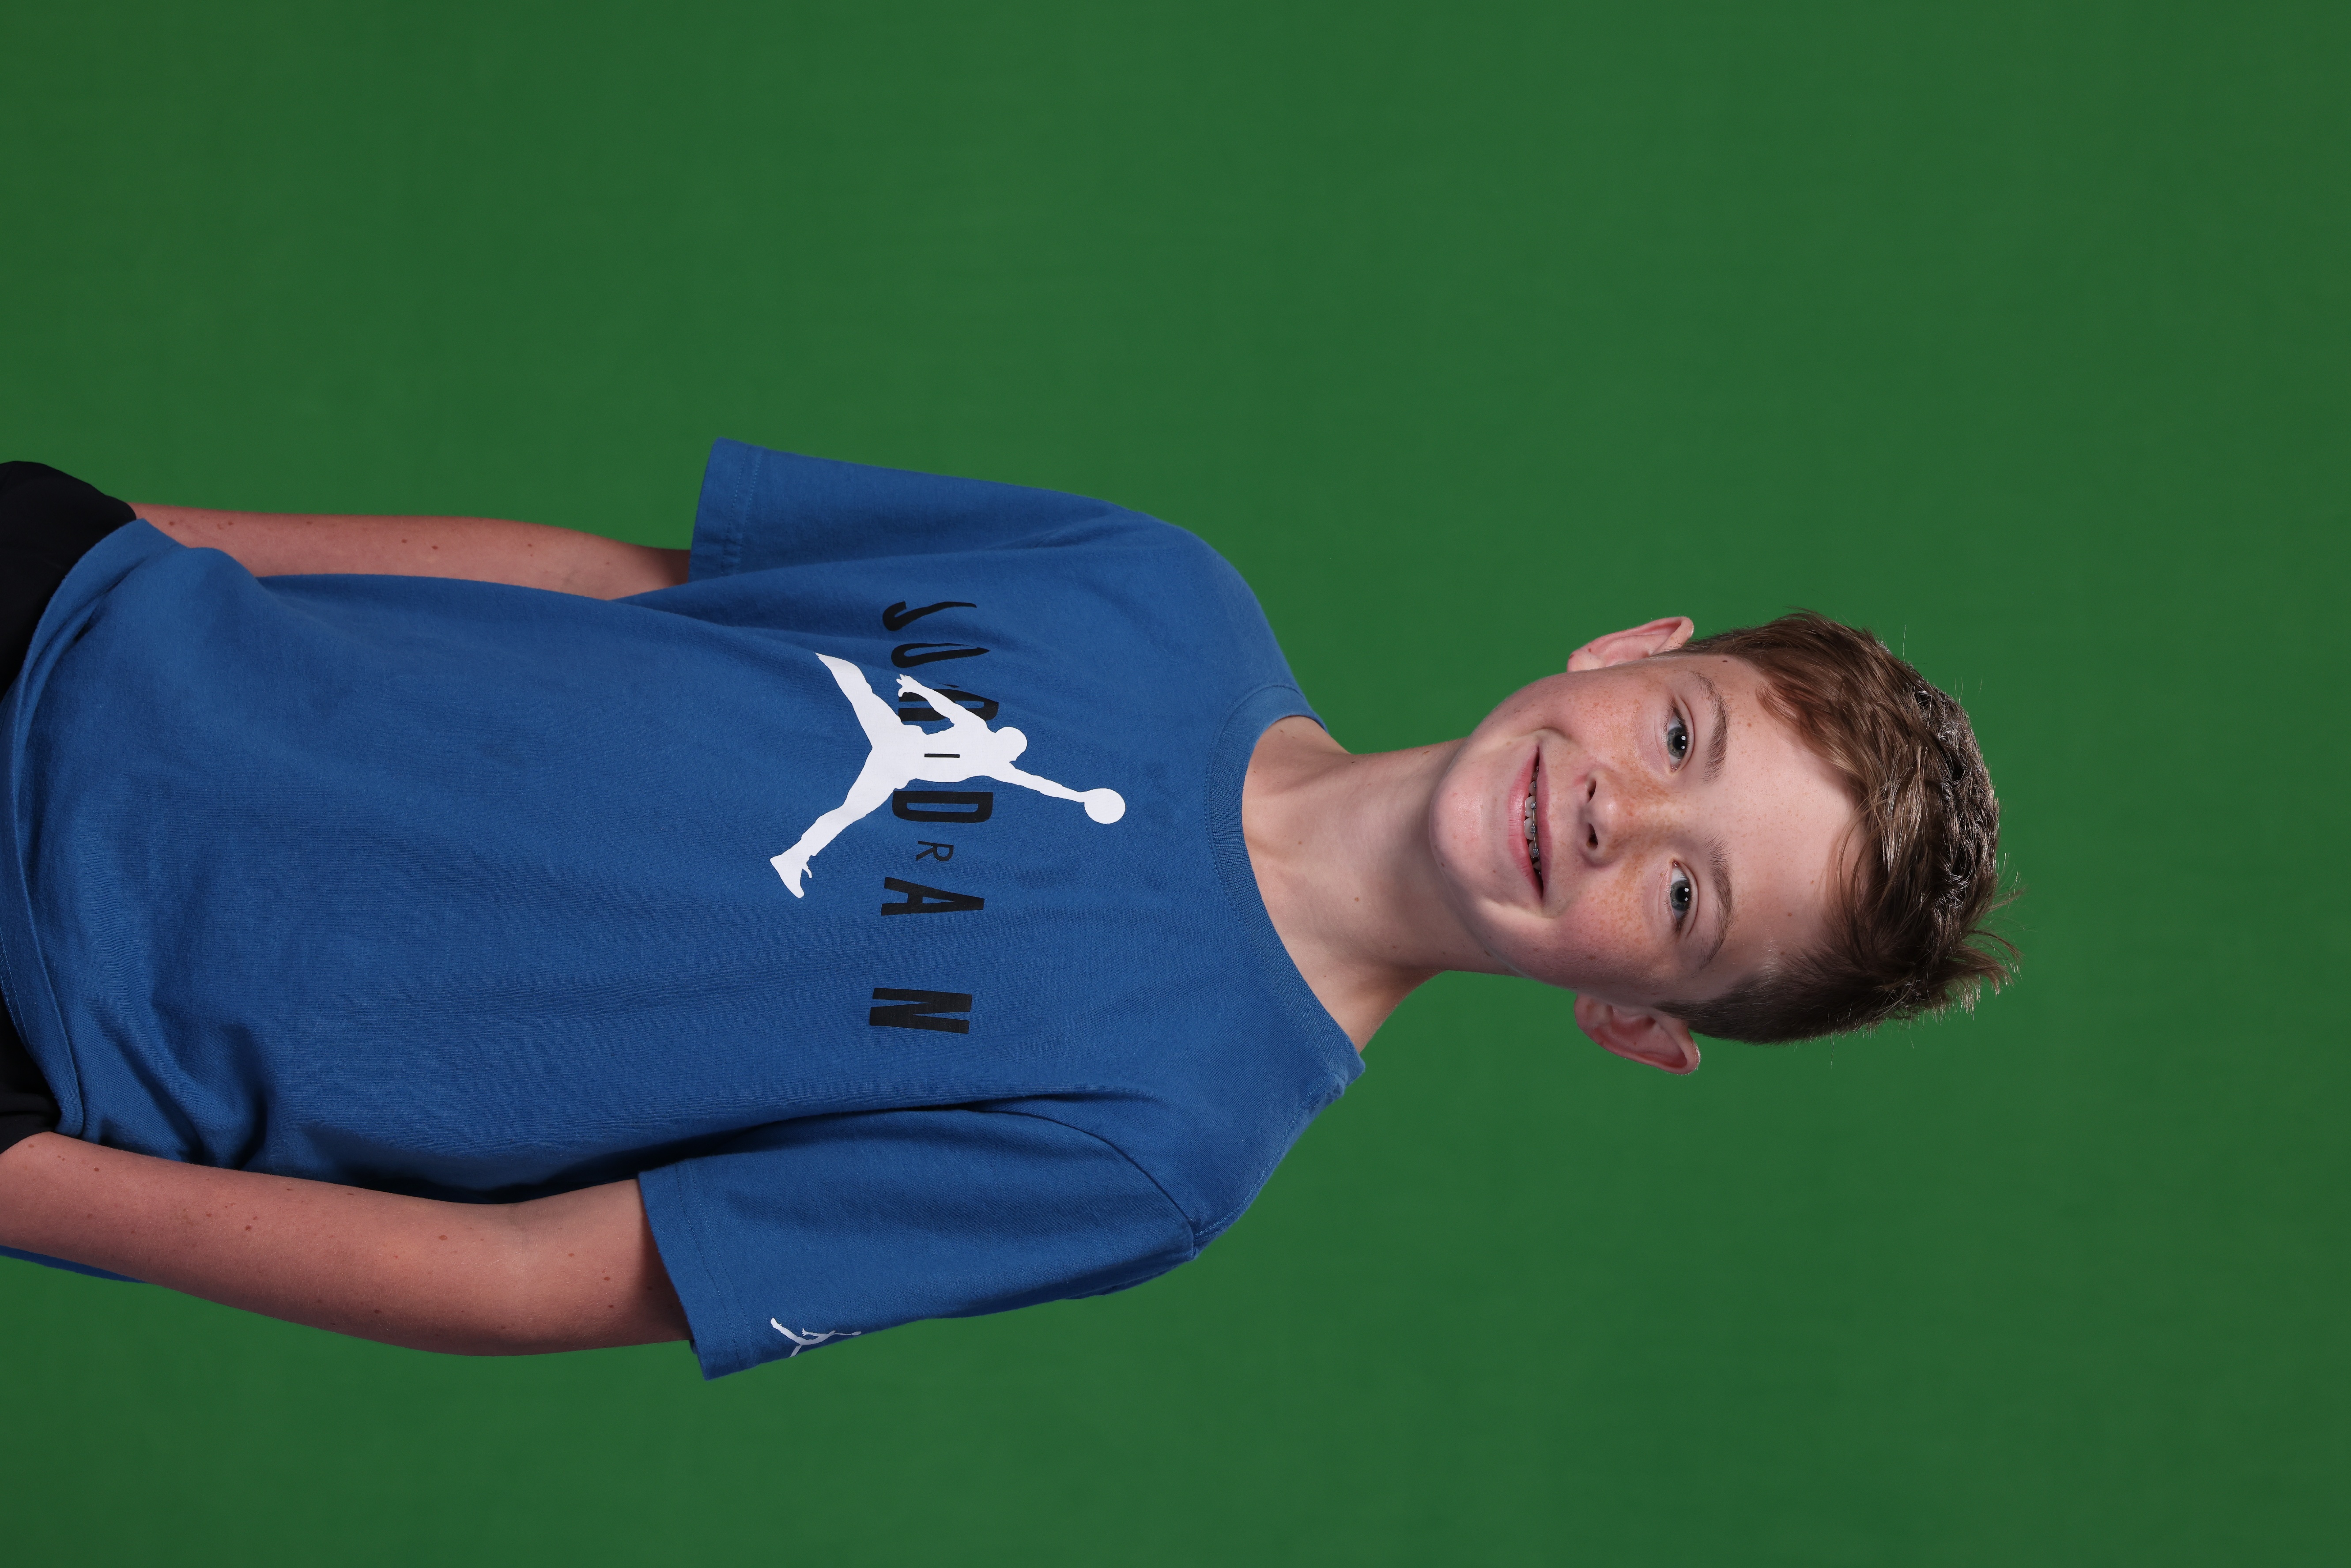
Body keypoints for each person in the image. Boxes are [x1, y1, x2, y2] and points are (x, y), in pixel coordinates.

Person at [0, 446, 2009, 1377]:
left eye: (1687, 898)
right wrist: (131, 535)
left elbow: (547, 1276)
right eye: (1683, 735)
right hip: (80, 621)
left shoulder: (1162, 1153)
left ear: (1640, 1023)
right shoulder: (1155, 586)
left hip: (72, 1017)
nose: (1619, 811)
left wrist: (22, 1179)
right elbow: (627, 582)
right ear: (1636, 649)